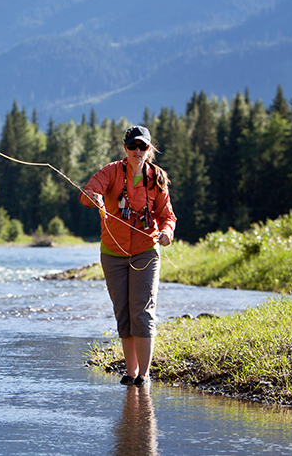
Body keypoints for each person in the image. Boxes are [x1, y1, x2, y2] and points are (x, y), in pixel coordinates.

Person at [79, 125, 176, 386]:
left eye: (142, 146)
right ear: (125, 148)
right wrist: (94, 197)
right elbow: (87, 194)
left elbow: (167, 216)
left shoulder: (157, 178)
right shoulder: (110, 172)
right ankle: (130, 373)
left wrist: (167, 232)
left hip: (145, 251)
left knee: (141, 311)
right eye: (132, 146)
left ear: (149, 150)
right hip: (112, 253)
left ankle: (144, 376)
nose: (137, 151)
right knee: (123, 313)